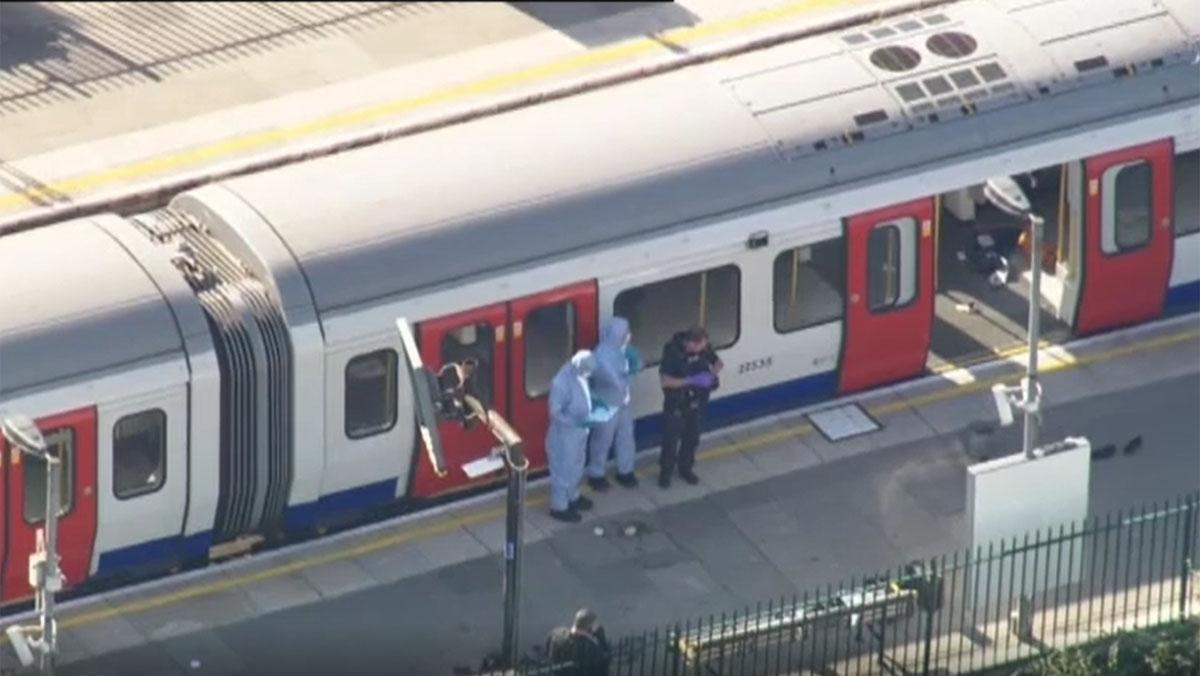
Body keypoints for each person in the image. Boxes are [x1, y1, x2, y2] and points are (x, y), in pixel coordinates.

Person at [657, 326, 722, 489]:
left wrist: (711, 376)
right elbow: (665, 381)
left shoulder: (703, 349)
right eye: (700, 347)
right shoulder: (673, 352)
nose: (703, 350)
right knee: (670, 441)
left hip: (697, 401)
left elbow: (718, 363)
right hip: (677, 403)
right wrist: (692, 381)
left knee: (692, 438)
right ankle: (665, 473)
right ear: (691, 344)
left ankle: (685, 468)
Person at [586, 317, 641, 491]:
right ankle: (596, 474)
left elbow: (637, 363)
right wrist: (631, 373)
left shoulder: (622, 350)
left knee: (626, 437)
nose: (628, 336)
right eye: (625, 333)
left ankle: (626, 470)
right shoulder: (601, 355)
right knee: (602, 440)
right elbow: (614, 380)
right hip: (606, 403)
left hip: (623, 402)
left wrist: (635, 363)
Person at [546, 350, 598, 522]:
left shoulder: (581, 374)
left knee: (577, 465)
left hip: (580, 432)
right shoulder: (560, 383)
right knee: (563, 470)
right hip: (564, 436)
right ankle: (559, 506)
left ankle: (572, 496)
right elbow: (555, 412)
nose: (588, 375)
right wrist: (574, 422)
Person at [546, 608, 611, 675]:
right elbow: (601, 666)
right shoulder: (592, 648)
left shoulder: (556, 634)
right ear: (590, 628)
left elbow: (548, 651)